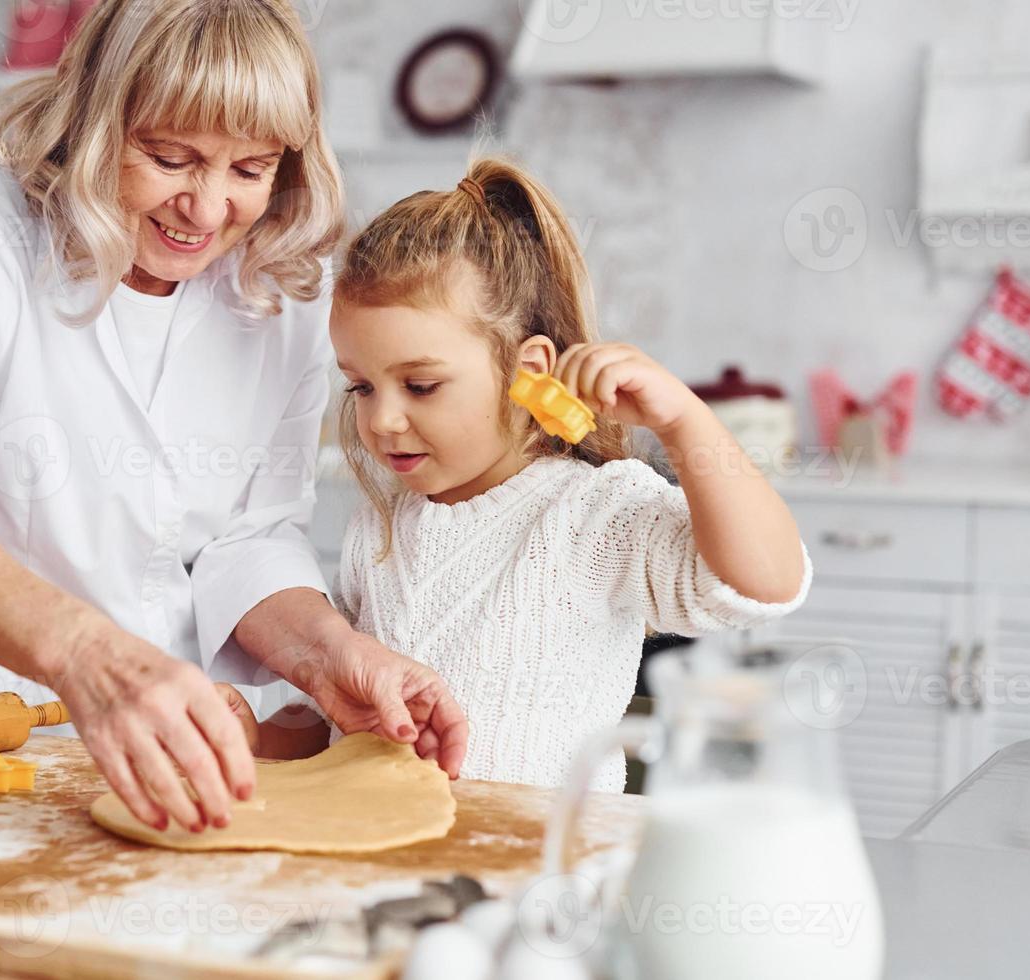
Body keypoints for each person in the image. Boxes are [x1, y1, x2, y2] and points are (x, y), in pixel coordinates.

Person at [0, 0, 466, 837]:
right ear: (97, 122)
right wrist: (94, 660)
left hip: (171, 751)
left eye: (250, 169)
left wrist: (328, 657)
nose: (206, 212)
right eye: (171, 159)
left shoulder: (283, 291)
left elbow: (252, 537)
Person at [235, 157, 812, 791]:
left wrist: (683, 422)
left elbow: (765, 585)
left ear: (527, 369)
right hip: (399, 870)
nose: (384, 420)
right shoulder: (380, 525)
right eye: (362, 387)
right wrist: (260, 739)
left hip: (545, 868)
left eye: (421, 386)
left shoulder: (596, 511)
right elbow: (338, 714)